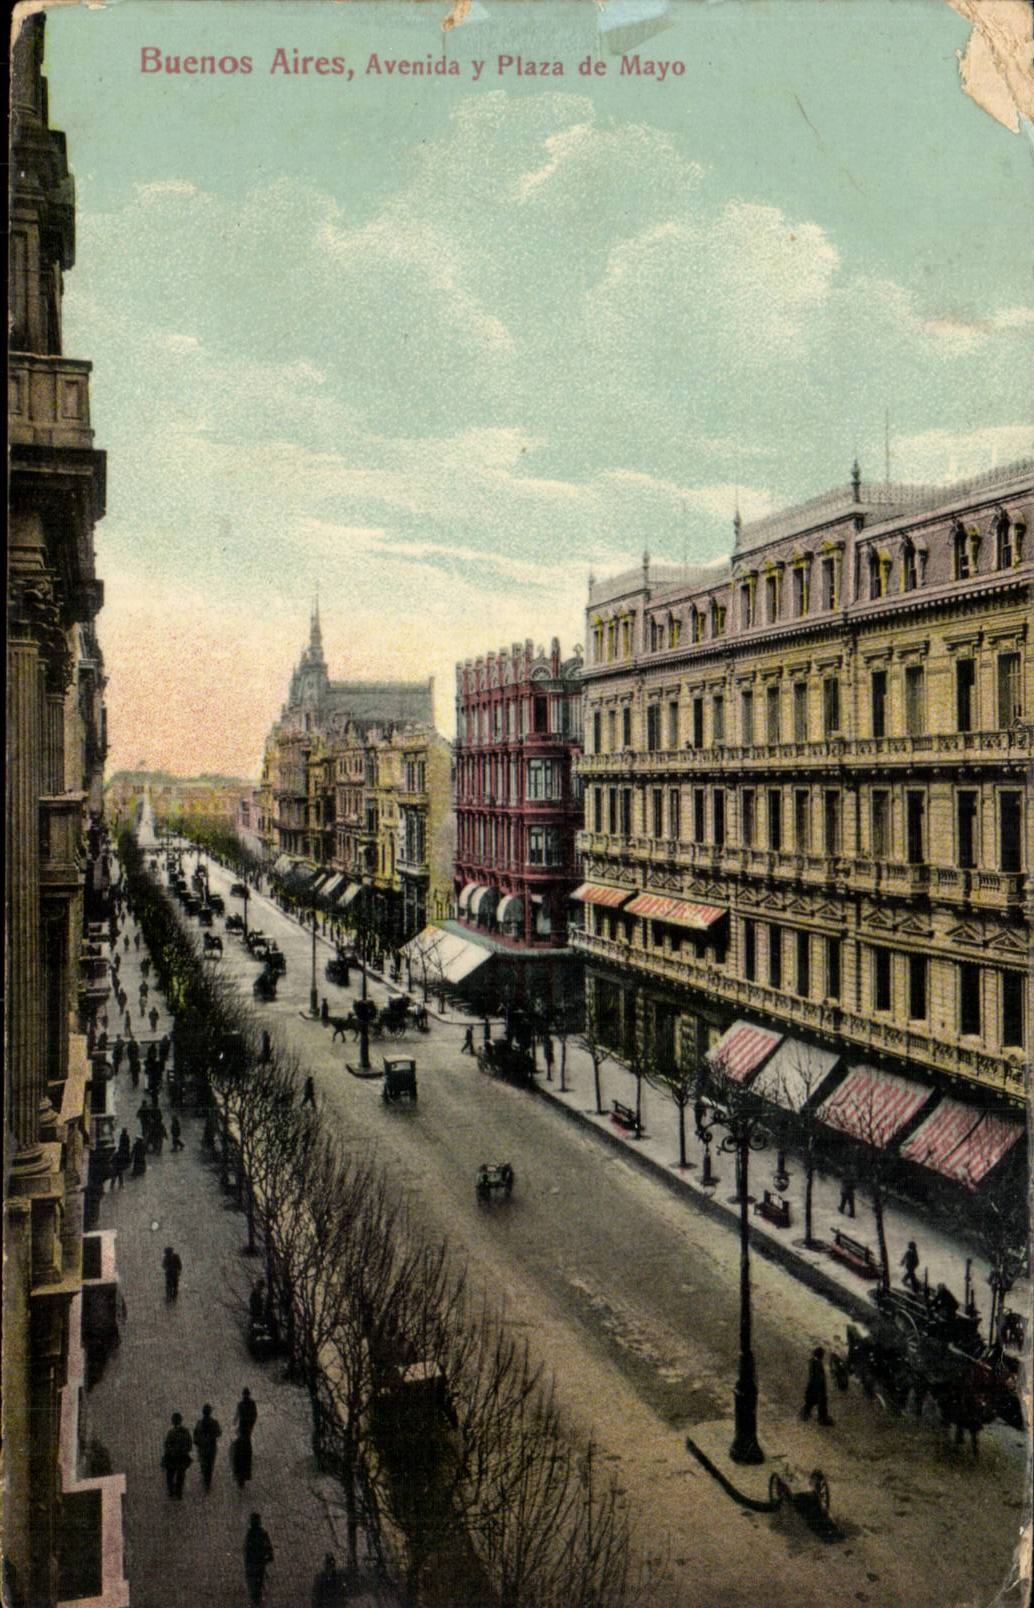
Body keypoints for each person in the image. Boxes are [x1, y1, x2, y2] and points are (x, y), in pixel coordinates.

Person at [243, 1513, 274, 1605]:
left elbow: (246, 1550)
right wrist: (268, 1557)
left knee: (254, 1584)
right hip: (259, 1563)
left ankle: (255, 1600)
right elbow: (269, 1548)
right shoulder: (262, 1533)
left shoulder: (250, 1534)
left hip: (253, 1564)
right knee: (258, 1583)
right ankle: (257, 1600)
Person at [800, 1345, 834, 1426]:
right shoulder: (817, 1364)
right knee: (822, 1402)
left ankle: (805, 1413)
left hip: (813, 1386)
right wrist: (821, 1388)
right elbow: (819, 1378)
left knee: (810, 1401)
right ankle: (822, 1419)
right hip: (818, 1387)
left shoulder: (813, 1362)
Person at [161, 1413, 193, 1499]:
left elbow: (167, 1445)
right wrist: (184, 1451)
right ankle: (179, 1492)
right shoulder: (185, 1432)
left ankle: (171, 1491)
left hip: (172, 1457)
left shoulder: (171, 1433)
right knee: (180, 1475)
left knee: (170, 1475)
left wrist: (170, 1451)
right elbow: (189, 1444)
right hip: (182, 1457)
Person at [193, 1404, 222, 1490]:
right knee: (210, 1465)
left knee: (203, 1463)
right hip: (211, 1447)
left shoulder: (199, 1423)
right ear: (210, 1412)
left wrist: (198, 1442)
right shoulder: (214, 1422)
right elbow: (219, 1433)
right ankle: (207, 1482)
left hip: (202, 1448)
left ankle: (204, 1478)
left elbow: (195, 1436)